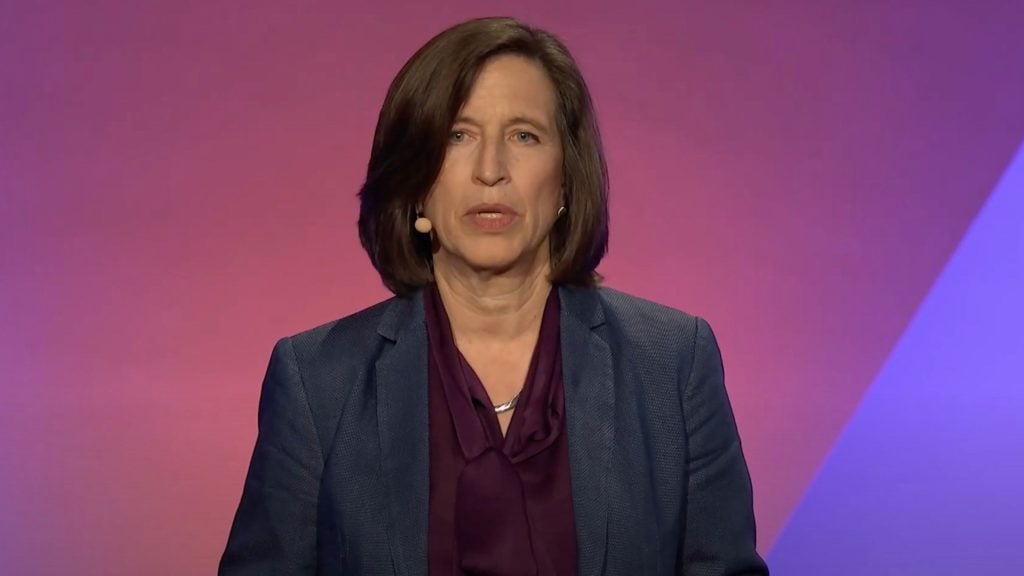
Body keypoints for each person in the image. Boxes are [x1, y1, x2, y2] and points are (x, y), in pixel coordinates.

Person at [220, 16, 768, 576]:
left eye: (523, 136)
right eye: (457, 136)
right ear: (414, 184)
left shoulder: (673, 362)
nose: (491, 171)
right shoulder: (318, 380)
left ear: (564, 181)